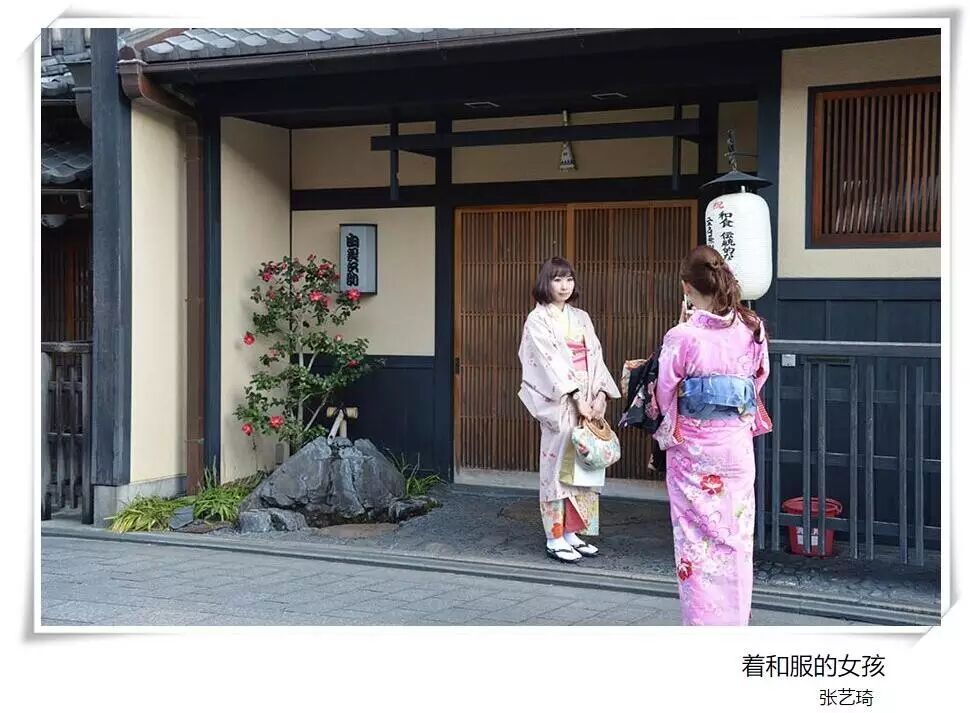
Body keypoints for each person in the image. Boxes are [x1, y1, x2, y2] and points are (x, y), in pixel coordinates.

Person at [653, 245, 772, 624]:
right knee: (736, 540)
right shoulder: (752, 327)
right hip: (735, 447)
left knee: (695, 541)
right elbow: (758, 378)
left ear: (687, 287)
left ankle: (703, 626)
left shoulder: (681, 335)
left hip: (693, 453)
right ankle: (734, 624)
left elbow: (664, 392)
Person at [517, 257, 621, 563]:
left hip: (588, 395)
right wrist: (575, 396)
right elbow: (547, 362)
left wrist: (600, 394)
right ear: (545, 283)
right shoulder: (537, 320)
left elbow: (596, 356)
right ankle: (554, 536)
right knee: (557, 466)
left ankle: (574, 531)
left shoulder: (582, 317)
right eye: (557, 279)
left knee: (584, 466)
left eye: (569, 279)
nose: (564, 286)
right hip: (561, 400)